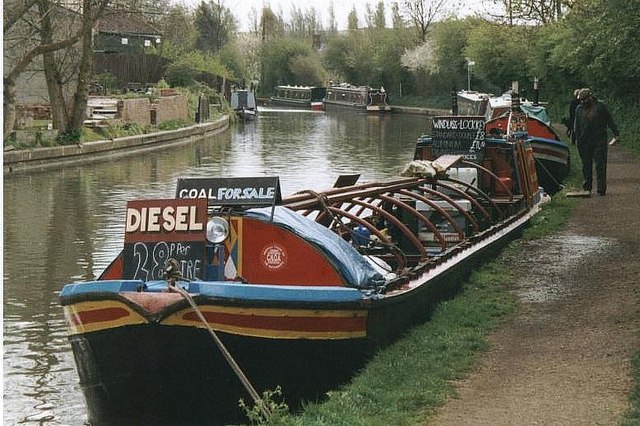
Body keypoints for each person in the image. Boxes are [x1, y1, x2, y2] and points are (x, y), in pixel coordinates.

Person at [573, 88, 621, 196]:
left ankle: (601, 189)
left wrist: (616, 134)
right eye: (580, 100)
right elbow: (577, 125)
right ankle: (587, 188)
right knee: (586, 165)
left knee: (600, 164)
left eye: (584, 99)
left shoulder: (600, 106)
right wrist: (577, 139)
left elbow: (610, 120)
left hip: (599, 139)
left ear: (590, 97)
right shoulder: (579, 108)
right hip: (584, 141)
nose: (582, 102)